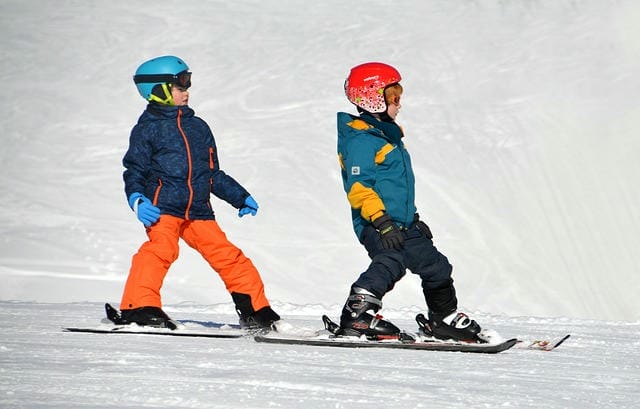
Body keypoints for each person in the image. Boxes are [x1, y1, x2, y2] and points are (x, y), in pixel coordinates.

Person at [118, 55, 280, 329]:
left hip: (199, 211)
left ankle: (256, 310)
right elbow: (134, 170)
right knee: (160, 251)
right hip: (163, 207)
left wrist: (239, 196)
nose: (186, 92)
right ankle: (138, 307)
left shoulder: (198, 127)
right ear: (158, 90)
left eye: (187, 85)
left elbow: (211, 173)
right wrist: (137, 198)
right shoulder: (147, 130)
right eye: (180, 87)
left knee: (229, 256)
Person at [336, 62, 483, 342]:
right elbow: (359, 188)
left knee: (436, 266)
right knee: (391, 261)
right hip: (376, 223)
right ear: (373, 97)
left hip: (402, 224)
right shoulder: (361, 140)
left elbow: (397, 188)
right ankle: (357, 316)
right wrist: (381, 221)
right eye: (394, 97)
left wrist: (413, 218)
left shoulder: (386, 135)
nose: (399, 104)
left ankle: (443, 319)